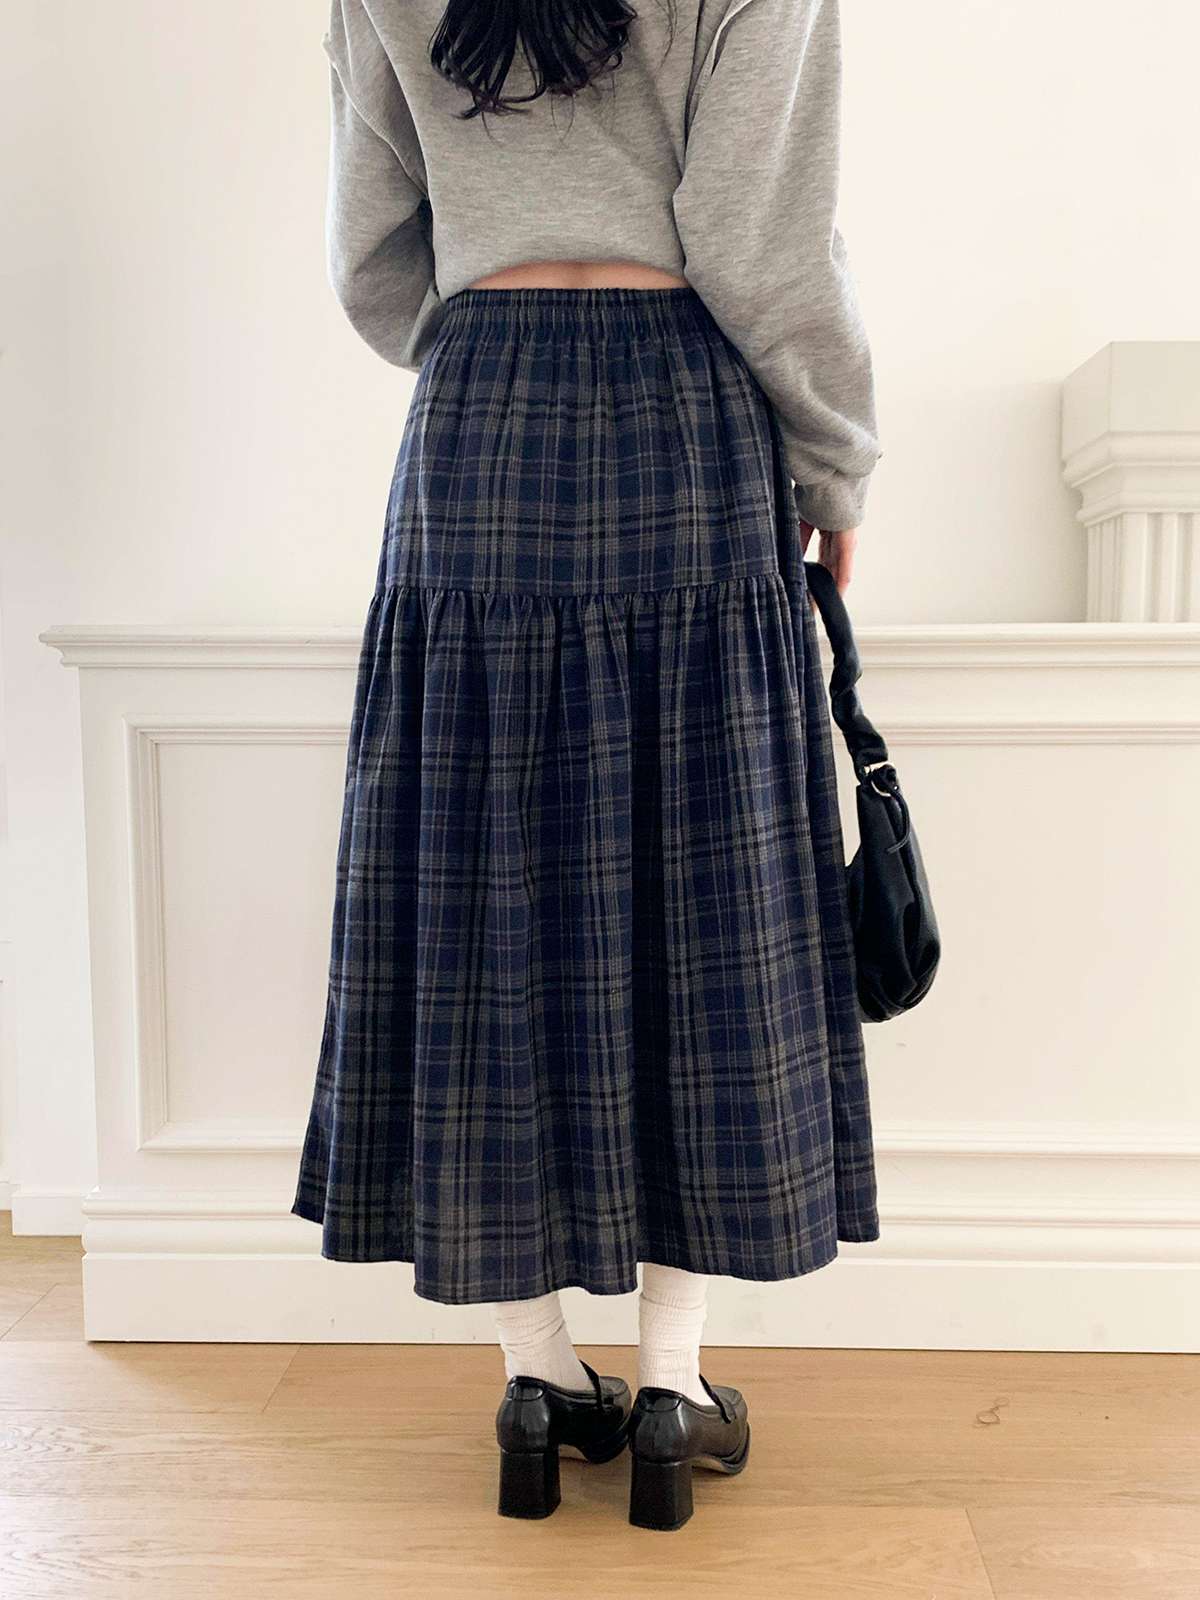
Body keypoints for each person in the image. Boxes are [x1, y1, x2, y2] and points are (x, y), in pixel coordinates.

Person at [293, 0, 882, 1532]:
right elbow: (761, 241)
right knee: (708, 896)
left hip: (476, 424)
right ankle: (673, 1387)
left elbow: (374, 258)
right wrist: (835, 463)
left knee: (483, 896)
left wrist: (494, 332)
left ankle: (537, 1377)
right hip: (686, 419)